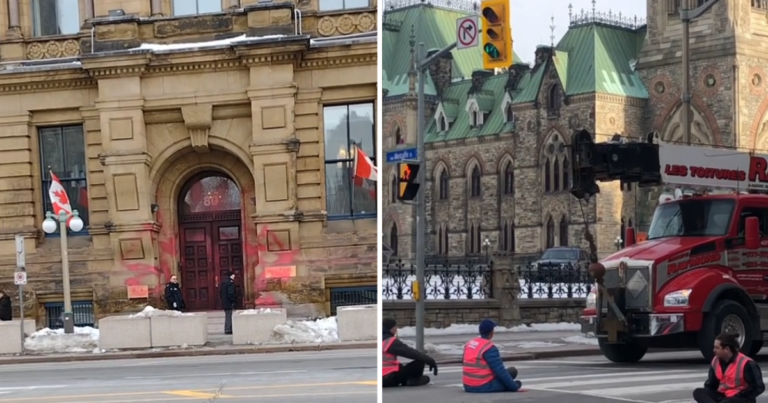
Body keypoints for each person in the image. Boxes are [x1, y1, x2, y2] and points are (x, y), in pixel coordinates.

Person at [693, 332, 765, 403]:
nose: (714, 350)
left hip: (740, 398)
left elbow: (758, 387)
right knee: (698, 392)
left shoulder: (747, 363)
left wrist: (740, 395)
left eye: (717, 348)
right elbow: (712, 384)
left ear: (727, 349)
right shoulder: (715, 361)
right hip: (723, 395)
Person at [463, 319, 524, 393]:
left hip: (467, 385)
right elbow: (500, 371)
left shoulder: (469, 343)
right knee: (517, 383)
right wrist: (515, 388)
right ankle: (510, 385)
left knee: (512, 371)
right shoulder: (489, 348)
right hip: (482, 386)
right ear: (491, 333)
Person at [382, 317, 438, 388]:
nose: (396, 329)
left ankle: (409, 380)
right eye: (395, 326)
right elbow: (411, 353)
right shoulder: (389, 341)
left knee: (400, 366)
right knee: (419, 363)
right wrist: (430, 360)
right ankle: (412, 380)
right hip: (388, 378)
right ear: (390, 328)